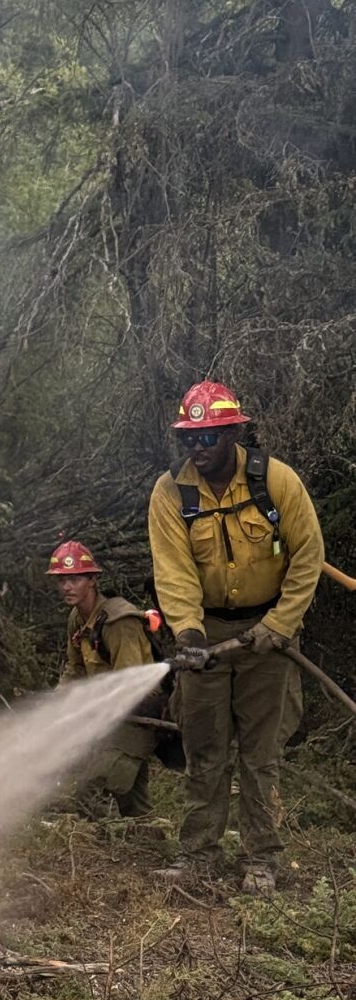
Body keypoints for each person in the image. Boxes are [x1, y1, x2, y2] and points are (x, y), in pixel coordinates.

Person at [148, 380, 324, 893]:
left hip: (269, 635)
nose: (197, 450)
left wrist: (280, 624)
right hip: (205, 633)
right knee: (204, 750)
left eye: (207, 439)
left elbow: (307, 557)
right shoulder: (170, 493)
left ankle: (261, 859)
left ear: (232, 433)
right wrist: (189, 633)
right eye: (188, 440)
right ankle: (197, 854)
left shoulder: (276, 482)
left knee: (259, 752)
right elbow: (173, 572)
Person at [48, 540, 162, 819]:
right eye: (62, 580)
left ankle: (109, 849)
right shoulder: (77, 618)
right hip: (114, 716)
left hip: (139, 714)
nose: (67, 587)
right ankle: (148, 843)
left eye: (75, 579)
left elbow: (131, 685)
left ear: (93, 580)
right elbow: (75, 670)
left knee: (92, 787)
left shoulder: (118, 622)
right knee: (133, 804)